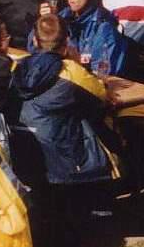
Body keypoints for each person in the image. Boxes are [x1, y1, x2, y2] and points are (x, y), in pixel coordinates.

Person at [11, 15, 119, 228]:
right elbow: (102, 97)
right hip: (64, 153)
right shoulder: (70, 71)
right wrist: (78, 63)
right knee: (108, 128)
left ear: (35, 41)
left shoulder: (18, 68)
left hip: (26, 148)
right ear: (67, 41)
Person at [42, 0, 128, 77]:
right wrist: (47, 22)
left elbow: (104, 73)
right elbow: (35, 49)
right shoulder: (62, 17)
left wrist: (76, 61)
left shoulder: (103, 26)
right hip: (65, 79)